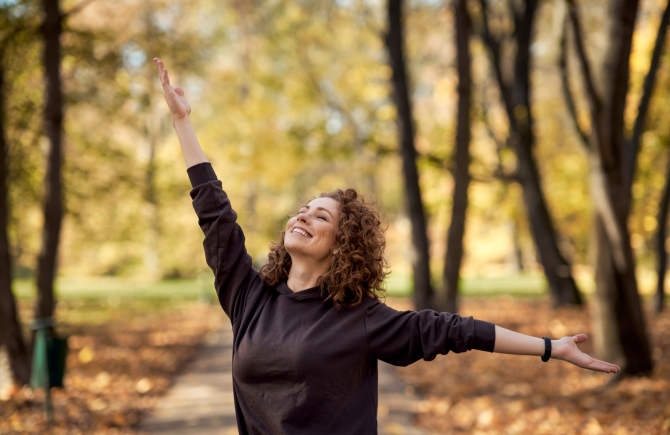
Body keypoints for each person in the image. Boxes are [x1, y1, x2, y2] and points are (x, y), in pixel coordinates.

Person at [153, 57, 620, 435]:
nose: (301, 217)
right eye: (302, 210)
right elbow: (215, 215)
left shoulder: (359, 319)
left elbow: (458, 330)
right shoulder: (249, 298)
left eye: (321, 217)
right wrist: (182, 123)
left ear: (342, 247)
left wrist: (549, 348)